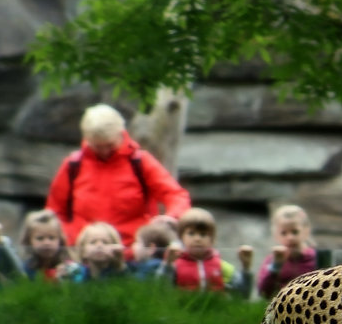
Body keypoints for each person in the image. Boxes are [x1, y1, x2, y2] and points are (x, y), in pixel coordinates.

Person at [44, 103, 192, 251]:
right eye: (97, 146)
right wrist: (69, 237)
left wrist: (171, 217)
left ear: (121, 134)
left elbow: (176, 195)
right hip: (83, 252)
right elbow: (54, 211)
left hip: (131, 251)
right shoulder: (73, 165)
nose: (104, 151)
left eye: (110, 145)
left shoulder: (140, 162)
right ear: (87, 140)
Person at [163, 207, 252, 296]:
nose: (197, 239)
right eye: (191, 233)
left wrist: (246, 267)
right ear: (181, 237)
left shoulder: (221, 266)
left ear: (212, 239)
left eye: (203, 234)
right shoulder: (175, 266)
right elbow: (161, 293)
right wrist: (168, 265)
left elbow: (243, 294)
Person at [256, 204, 319, 300]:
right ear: (276, 235)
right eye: (283, 233)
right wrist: (276, 266)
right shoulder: (272, 260)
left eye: (295, 232)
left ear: (306, 231)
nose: (290, 237)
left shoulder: (316, 258)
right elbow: (263, 292)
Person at [16, 209, 78, 282]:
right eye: (40, 238)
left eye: (51, 238)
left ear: (60, 240)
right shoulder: (26, 268)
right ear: (29, 241)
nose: (46, 243)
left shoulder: (69, 266)